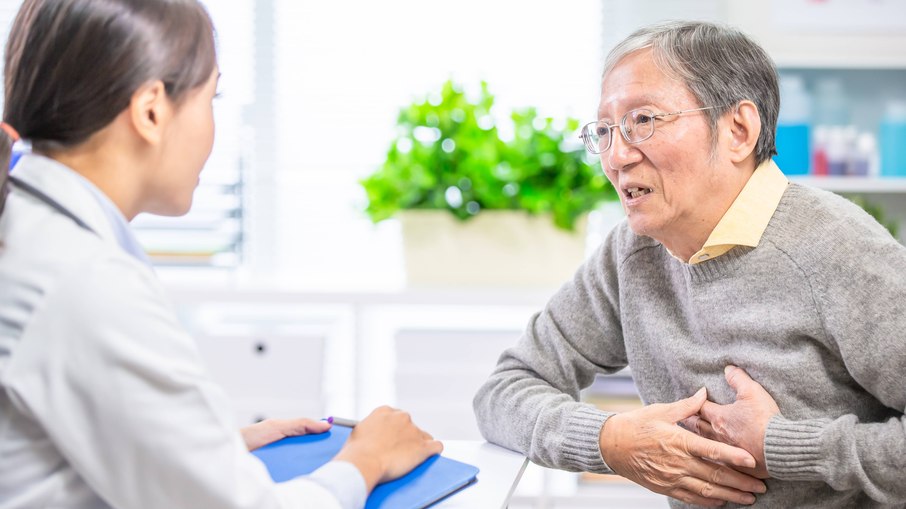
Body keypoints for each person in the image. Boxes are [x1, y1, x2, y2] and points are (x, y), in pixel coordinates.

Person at [0, 1, 441, 508]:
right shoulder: (83, 283)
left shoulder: (33, 231)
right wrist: (368, 458)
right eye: (212, 97)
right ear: (151, 111)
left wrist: (216, 448)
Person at [474, 20, 906, 508]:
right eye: (605, 131)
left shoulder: (839, 250)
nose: (616, 157)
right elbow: (504, 390)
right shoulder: (631, 254)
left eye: (643, 120)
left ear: (738, 131)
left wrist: (785, 447)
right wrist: (611, 441)